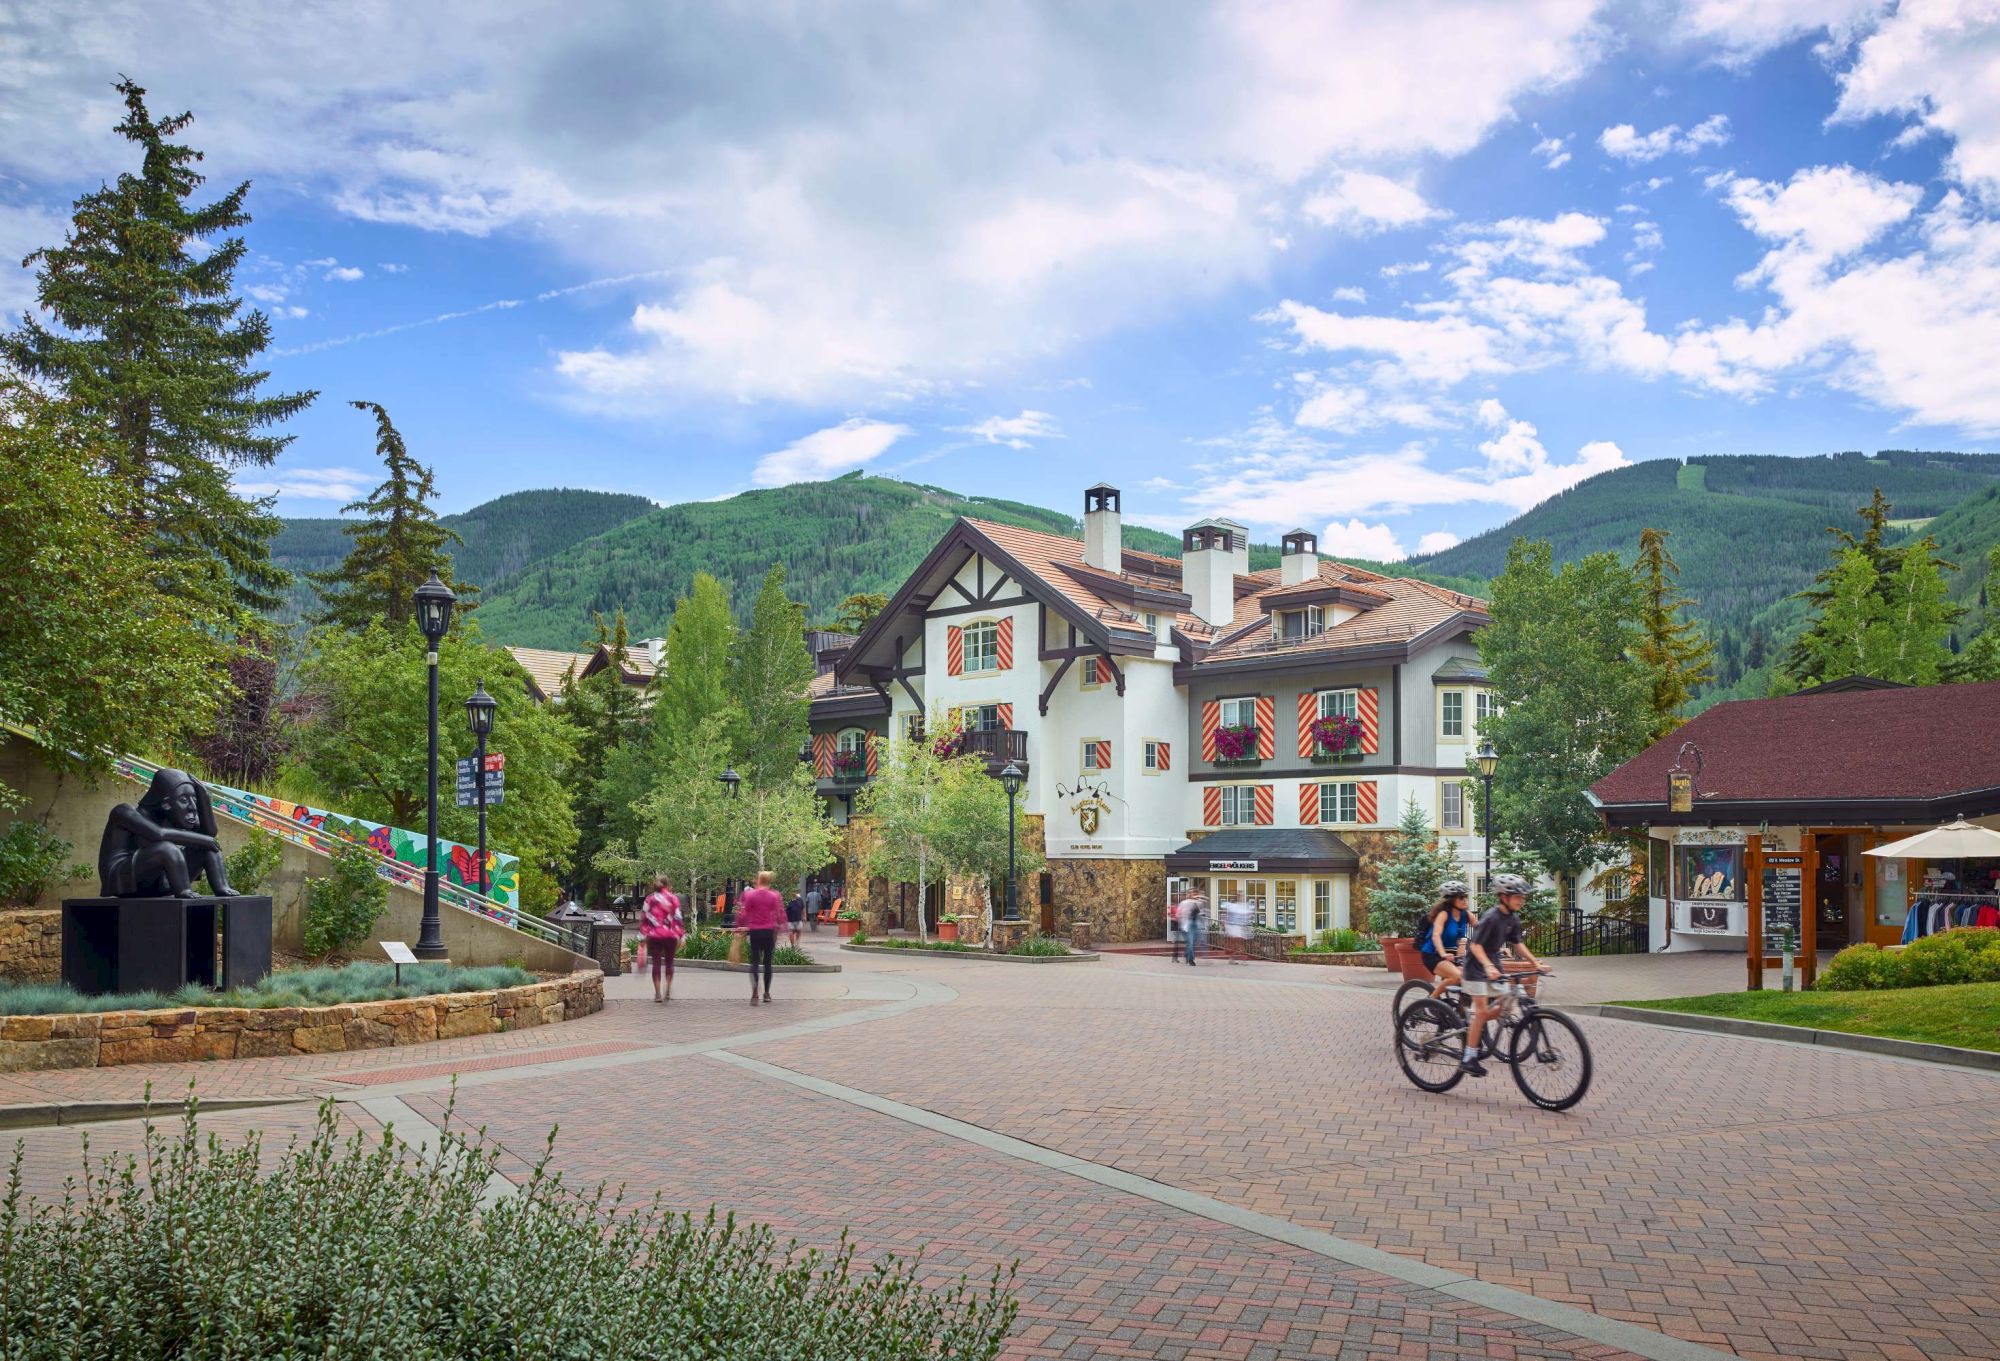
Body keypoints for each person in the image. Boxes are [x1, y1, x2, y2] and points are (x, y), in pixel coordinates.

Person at [1458, 873, 1549, 1078]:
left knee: (1502, 1010)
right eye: (1517, 896)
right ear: (1503, 896)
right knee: (1482, 1012)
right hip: (1475, 968)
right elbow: (1476, 946)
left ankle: (1472, 1025)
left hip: (1493, 967)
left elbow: (1518, 944)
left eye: (1522, 897)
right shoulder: (1491, 917)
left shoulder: (1512, 919)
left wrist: (1535, 963)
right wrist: (1488, 966)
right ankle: (1468, 1057)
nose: (1521, 900)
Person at [735, 870, 788, 1005]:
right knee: (768, 963)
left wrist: (740, 926)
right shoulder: (774, 896)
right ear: (769, 881)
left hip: (755, 932)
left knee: (754, 962)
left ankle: (755, 992)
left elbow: (743, 913)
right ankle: (767, 993)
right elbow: (780, 914)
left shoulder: (750, 895)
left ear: (759, 880)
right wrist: (781, 929)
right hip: (769, 932)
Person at [1417, 881, 1474, 997]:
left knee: (1470, 979)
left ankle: (1459, 1013)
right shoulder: (1443, 914)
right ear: (1451, 900)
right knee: (1457, 976)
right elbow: (1436, 935)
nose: (1465, 900)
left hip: (1451, 955)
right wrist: (1443, 954)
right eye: (1461, 897)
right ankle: (1431, 1001)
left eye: (1466, 897)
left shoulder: (1466, 915)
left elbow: (1483, 931)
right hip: (1432, 954)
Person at [639, 875, 685, 1004]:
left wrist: (642, 936)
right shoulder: (673, 899)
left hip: (654, 935)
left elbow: (644, 918)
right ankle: (668, 990)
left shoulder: (650, 899)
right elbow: (678, 918)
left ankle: (658, 993)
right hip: (670, 935)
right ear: (668, 885)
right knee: (669, 962)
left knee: (656, 963)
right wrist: (681, 935)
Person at [1174, 890, 1207, 966]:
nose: (1194, 895)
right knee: (1190, 942)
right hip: (1186, 925)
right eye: (1192, 893)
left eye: (1195, 893)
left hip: (1195, 925)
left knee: (1191, 942)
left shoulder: (1199, 903)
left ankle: (1187, 955)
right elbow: (1178, 914)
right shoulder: (1184, 903)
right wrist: (1181, 921)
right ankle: (1190, 960)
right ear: (1189, 894)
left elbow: (1202, 914)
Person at [1222, 896, 1253, 963]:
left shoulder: (1242, 907)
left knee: (1238, 943)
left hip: (1240, 927)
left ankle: (1233, 958)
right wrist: (1225, 925)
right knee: (1238, 943)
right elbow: (1226, 915)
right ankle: (1242, 958)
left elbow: (1247, 915)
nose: (1241, 898)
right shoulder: (1233, 906)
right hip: (1233, 927)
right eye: (1239, 896)